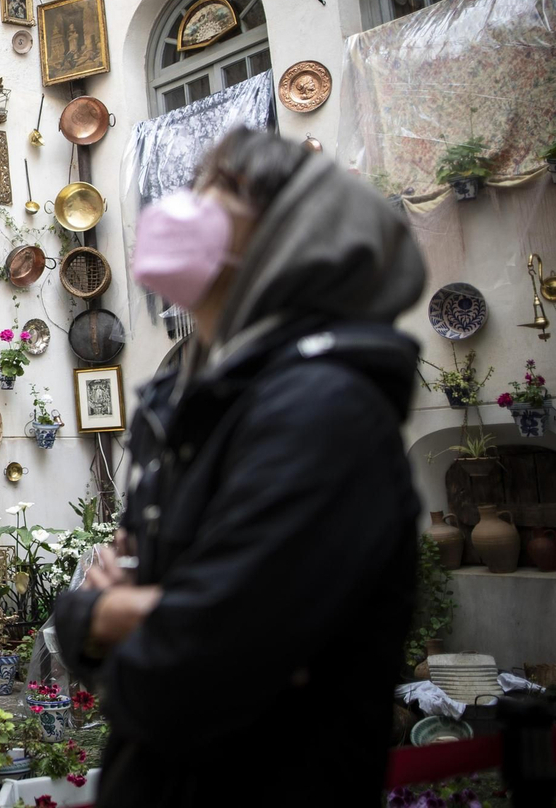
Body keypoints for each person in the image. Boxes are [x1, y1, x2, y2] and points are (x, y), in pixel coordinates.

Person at [53, 127, 426, 806]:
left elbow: (195, 663)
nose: (190, 204)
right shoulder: (198, 400)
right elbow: (159, 618)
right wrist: (121, 614)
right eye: (196, 183)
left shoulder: (323, 408)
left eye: (224, 188)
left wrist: (102, 616)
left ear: (291, 234)